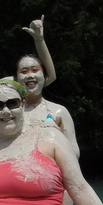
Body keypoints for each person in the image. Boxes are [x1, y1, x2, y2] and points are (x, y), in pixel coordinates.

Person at [19, 16, 79, 158]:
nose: (30, 75)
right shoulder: (10, 113)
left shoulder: (59, 111)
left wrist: (39, 40)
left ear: (43, 75)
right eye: (24, 72)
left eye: (35, 70)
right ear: (15, 79)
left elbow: (74, 152)